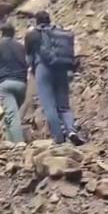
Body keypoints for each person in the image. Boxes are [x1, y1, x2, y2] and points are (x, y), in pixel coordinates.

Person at [24, 11, 84, 145]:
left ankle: (59, 138)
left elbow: (28, 59)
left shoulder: (32, 35)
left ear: (36, 21)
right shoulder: (58, 32)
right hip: (61, 69)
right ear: (49, 20)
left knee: (49, 106)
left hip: (43, 69)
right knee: (64, 106)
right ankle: (71, 131)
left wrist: (32, 69)